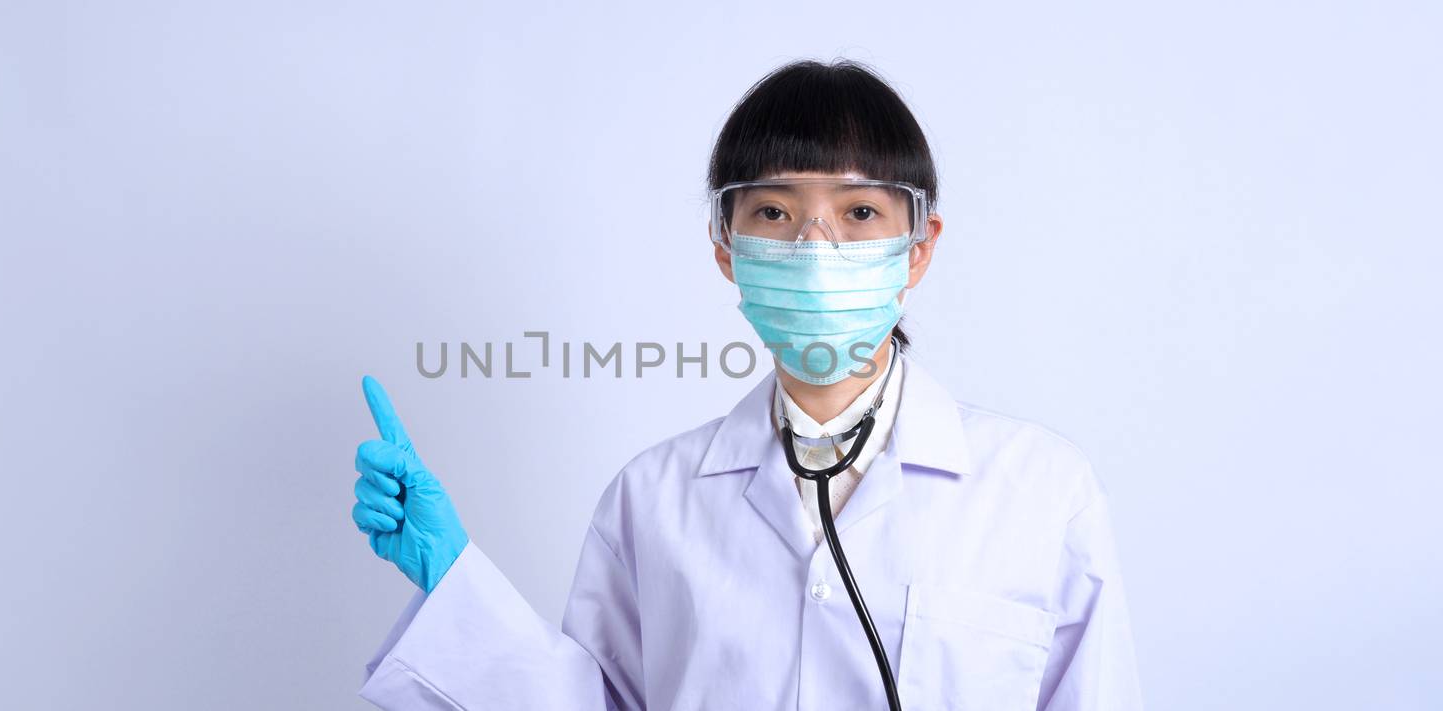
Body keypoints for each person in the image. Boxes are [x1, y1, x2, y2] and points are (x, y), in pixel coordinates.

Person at [349, 58, 1144, 710]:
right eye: (773, 212)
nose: (814, 245)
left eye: (860, 212)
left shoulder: (1041, 490)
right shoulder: (651, 500)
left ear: (920, 246)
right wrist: (455, 581)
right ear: (727, 247)